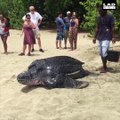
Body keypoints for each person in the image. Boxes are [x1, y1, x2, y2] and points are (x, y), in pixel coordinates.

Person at [93, 4, 115, 73]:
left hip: (107, 36)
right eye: (99, 11)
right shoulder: (98, 17)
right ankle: (104, 65)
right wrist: (94, 37)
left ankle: (105, 68)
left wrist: (113, 37)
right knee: (101, 53)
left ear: (105, 10)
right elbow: (97, 28)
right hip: (99, 37)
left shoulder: (110, 16)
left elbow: (112, 27)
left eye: (101, 11)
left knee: (104, 52)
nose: (99, 12)